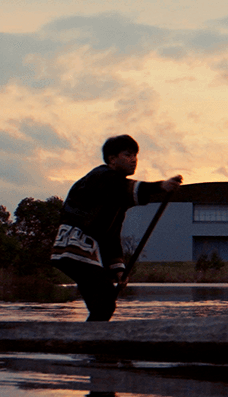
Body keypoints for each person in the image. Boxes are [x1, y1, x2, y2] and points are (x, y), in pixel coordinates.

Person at [51, 135, 182, 321]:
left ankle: (90, 334)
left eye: (135, 155)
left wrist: (118, 269)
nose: (134, 160)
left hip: (83, 252)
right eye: (128, 155)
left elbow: (112, 236)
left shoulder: (117, 198)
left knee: (104, 303)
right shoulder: (100, 177)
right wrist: (161, 186)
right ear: (112, 159)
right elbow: (124, 188)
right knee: (104, 298)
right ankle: (90, 336)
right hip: (74, 248)